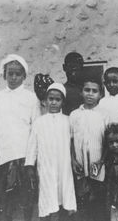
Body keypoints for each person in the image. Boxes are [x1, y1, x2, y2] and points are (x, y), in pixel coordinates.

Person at [0, 54, 37, 221]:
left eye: (18, 73)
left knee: (26, 198)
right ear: (4, 74)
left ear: (24, 75)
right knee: (5, 200)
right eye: (10, 73)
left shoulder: (31, 99)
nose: (14, 77)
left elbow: (35, 131)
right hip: (3, 157)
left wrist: (32, 159)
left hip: (25, 158)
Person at [25, 83, 76, 221]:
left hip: (63, 166)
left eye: (57, 99)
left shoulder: (68, 121)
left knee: (64, 196)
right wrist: (30, 165)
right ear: (45, 100)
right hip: (46, 167)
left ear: (63, 102)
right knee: (48, 197)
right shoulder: (39, 122)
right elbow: (32, 146)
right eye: (50, 99)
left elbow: (72, 144)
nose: (53, 102)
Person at [70, 75, 109, 221]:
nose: (90, 94)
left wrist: (101, 162)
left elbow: (107, 142)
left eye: (94, 91)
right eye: (87, 90)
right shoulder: (74, 115)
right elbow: (71, 140)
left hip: (98, 167)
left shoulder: (104, 115)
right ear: (81, 92)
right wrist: (73, 161)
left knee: (98, 205)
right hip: (80, 167)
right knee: (82, 203)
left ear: (100, 94)